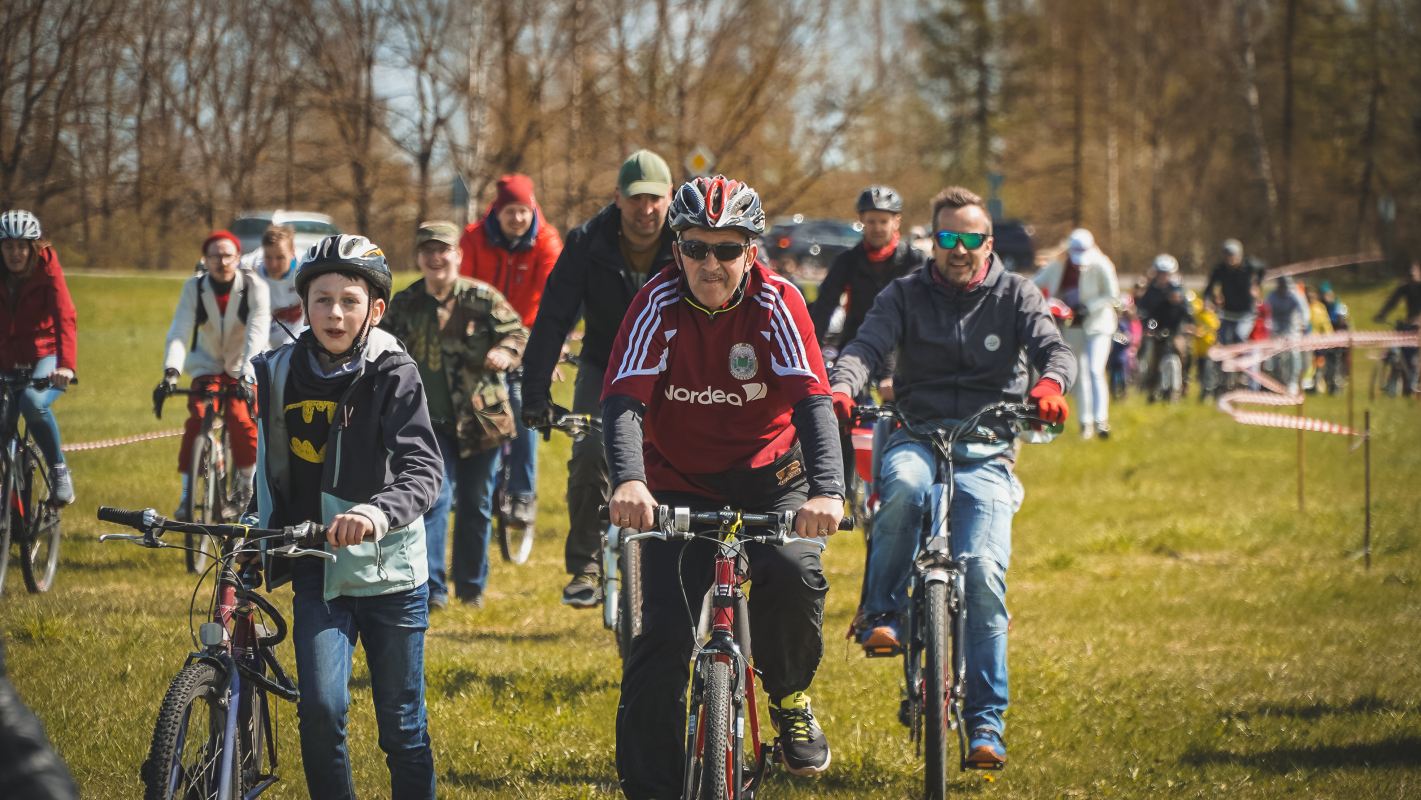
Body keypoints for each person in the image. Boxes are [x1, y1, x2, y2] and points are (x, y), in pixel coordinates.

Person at [603, 176, 845, 793]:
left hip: (772, 478)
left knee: (793, 576)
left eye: (728, 249)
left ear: (752, 252)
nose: (711, 263)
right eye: (695, 248)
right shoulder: (655, 302)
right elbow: (623, 401)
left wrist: (828, 492)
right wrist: (630, 481)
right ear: (676, 249)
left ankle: (789, 699)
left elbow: (815, 402)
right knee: (657, 642)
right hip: (676, 483)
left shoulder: (778, 302)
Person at [830, 186, 1074, 768]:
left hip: (987, 447)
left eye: (970, 239)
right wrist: (842, 385)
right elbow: (864, 345)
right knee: (903, 489)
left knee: (985, 575)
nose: (958, 250)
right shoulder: (904, 294)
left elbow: (1054, 351)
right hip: (916, 434)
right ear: (931, 241)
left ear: (988, 244)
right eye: (947, 238)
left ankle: (985, 725)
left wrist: (1049, 386)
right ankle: (881, 612)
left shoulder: (1016, 294)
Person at [248, 234, 443, 800]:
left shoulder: (393, 371)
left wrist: (378, 513)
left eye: (350, 300)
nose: (335, 312)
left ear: (375, 309)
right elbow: (273, 465)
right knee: (321, 711)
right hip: (317, 564)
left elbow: (425, 471)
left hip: (390, 571)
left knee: (403, 728)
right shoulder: (278, 370)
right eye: (322, 299)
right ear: (302, 306)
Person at [520, 151, 676, 607]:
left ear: (669, 198)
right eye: (635, 199)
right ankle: (586, 566)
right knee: (590, 452)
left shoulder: (687, 239)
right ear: (617, 198)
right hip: (605, 366)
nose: (645, 210)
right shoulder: (588, 241)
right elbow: (553, 318)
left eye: (655, 199)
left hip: (672, 368)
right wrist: (535, 394)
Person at [381, 221, 527, 610]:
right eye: (427, 250)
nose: (435, 257)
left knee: (477, 504)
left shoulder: (481, 297)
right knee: (433, 500)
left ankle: (471, 587)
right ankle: (432, 590)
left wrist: (506, 353)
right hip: (427, 425)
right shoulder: (407, 303)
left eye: (443, 249)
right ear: (418, 257)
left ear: (458, 255)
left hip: (482, 420)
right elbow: (380, 346)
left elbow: (517, 333)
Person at [460, 174, 563, 544]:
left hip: (529, 332)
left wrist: (553, 347)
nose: (517, 218)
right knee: (469, 404)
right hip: (483, 333)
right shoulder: (473, 238)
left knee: (522, 407)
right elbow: (462, 290)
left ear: (532, 207)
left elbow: (557, 298)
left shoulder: (547, 241)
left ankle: (521, 493)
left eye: (523, 210)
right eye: (510, 212)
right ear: (497, 211)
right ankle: (465, 487)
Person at [808, 186, 928, 495]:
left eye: (883, 221)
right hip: (857, 344)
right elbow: (823, 308)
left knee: (903, 410)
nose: (876, 228)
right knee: (845, 412)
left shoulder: (915, 261)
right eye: (870, 221)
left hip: (900, 347)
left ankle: (898, 471)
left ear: (896, 222)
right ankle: (844, 485)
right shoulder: (848, 260)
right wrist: (809, 350)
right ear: (862, 221)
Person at [159, 230, 270, 519]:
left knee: (242, 418)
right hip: (206, 365)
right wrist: (171, 372)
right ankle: (187, 497)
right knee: (197, 419)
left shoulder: (254, 287)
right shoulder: (193, 288)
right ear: (205, 260)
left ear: (238, 258)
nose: (222, 262)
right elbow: (179, 333)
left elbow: (256, 336)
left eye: (228, 255)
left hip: (243, 365)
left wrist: (247, 375)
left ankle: (246, 485)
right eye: (215, 256)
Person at [0, 211, 77, 504]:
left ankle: (59, 470)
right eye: (8, 246)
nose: (15, 253)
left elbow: (64, 316)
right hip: (5, 356)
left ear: (34, 246)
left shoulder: (47, 269)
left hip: (46, 355)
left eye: (22, 245)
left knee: (32, 402)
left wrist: (66, 366)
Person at [1033, 229, 1117, 439]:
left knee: (1096, 369)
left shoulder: (1101, 264)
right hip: (1072, 327)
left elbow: (1112, 295)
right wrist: (1050, 306)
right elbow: (1033, 286)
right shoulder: (1057, 265)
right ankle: (1085, 424)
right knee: (1079, 375)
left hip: (1099, 325)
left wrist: (1089, 307)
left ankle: (1101, 422)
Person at [1203, 239, 1265, 388]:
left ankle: (1242, 371)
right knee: (1222, 340)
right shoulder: (1219, 269)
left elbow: (1263, 268)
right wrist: (1207, 302)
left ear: (1239, 256)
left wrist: (1257, 285)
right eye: (1227, 256)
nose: (1230, 260)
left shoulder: (1249, 265)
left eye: (1233, 256)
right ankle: (1222, 376)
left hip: (1246, 312)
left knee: (1239, 335)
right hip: (1227, 312)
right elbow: (1209, 288)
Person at [242, 224, 307, 349]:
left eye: (280, 257)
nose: (273, 264)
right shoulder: (249, 266)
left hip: (298, 338)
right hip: (262, 341)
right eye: (268, 257)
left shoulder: (305, 266)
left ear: (293, 252)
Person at [1374, 260, 1421, 395]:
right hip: (1410, 325)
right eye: (1408, 275)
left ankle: (1415, 383)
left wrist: (1418, 320)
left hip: (1418, 326)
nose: (1410, 278)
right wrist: (1381, 315)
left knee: (1415, 357)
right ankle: (1396, 382)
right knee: (1398, 352)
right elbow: (1392, 302)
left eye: (1413, 275)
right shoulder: (1404, 288)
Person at [1142, 285, 1195, 402]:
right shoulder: (1162, 306)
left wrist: (1190, 329)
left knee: (1184, 355)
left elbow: (1190, 321)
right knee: (1155, 363)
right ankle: (1152, 389)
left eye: (1177, 296)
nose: (1175, 298)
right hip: (1161, 336)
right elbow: (1152, 319)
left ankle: (1184, 382)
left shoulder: (1183, 308)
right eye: (1172, 295)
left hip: (1177, 336)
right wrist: (1151, 330)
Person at [1266, 275, 1308, 393]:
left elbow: (1304, 312)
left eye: (1285, 284)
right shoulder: (1272, 296)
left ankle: (1293, 382)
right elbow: (1266, 312)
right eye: (1281, 284)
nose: (1283, 287)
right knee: (1273, 354)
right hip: (1276, 328)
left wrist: (1304, 324)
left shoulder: (1296, 295)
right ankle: (1276, 380)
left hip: (1292, 328)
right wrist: (1267, 327)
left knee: (1293, 353)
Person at [1302, 284, 1333, 393]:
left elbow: (1326, 324)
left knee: (1319, 364)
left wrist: (1329, 337)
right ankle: (1306, 384)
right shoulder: (1303, 307)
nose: (1311, 297)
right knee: (1307, 365)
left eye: (1312, 295)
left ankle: (1318, 384)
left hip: (1319, 342)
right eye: (1308, 296)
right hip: (1305, 342)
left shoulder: (1320, 308)